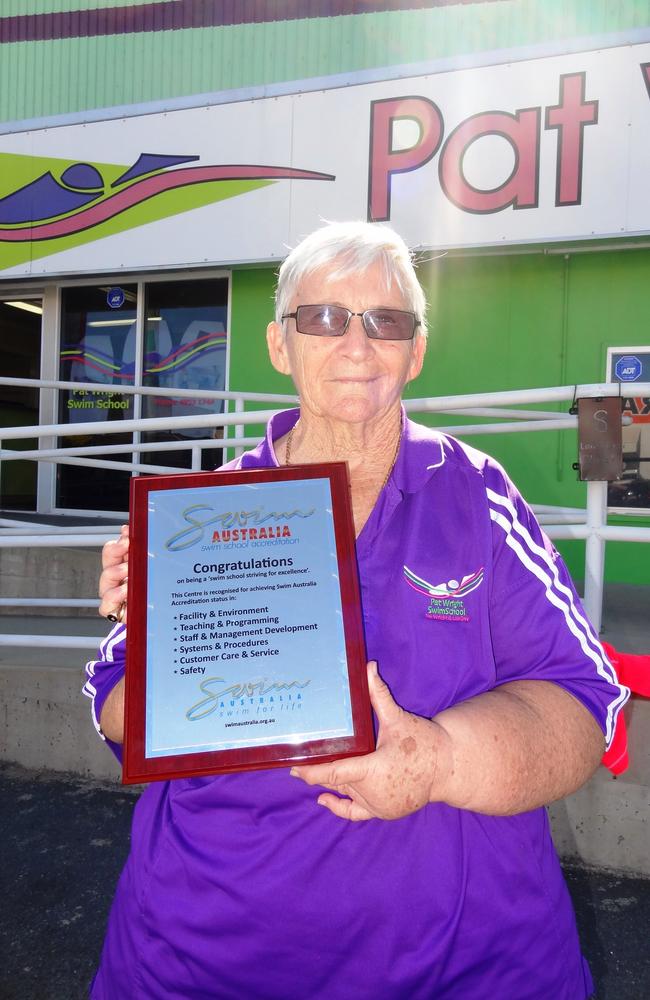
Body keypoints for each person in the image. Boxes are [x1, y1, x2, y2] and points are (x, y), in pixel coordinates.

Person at [84, 221, 628, 999]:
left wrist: (437, 761)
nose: (357, 343)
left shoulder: (477, 494)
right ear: (280, 345)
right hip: (196, 966)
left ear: (417, 350)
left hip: (470, 972)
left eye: (386, 321)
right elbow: (112, 702)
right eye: (326, 317)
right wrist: (164, 621)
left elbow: (586, 707)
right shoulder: (200, 516)